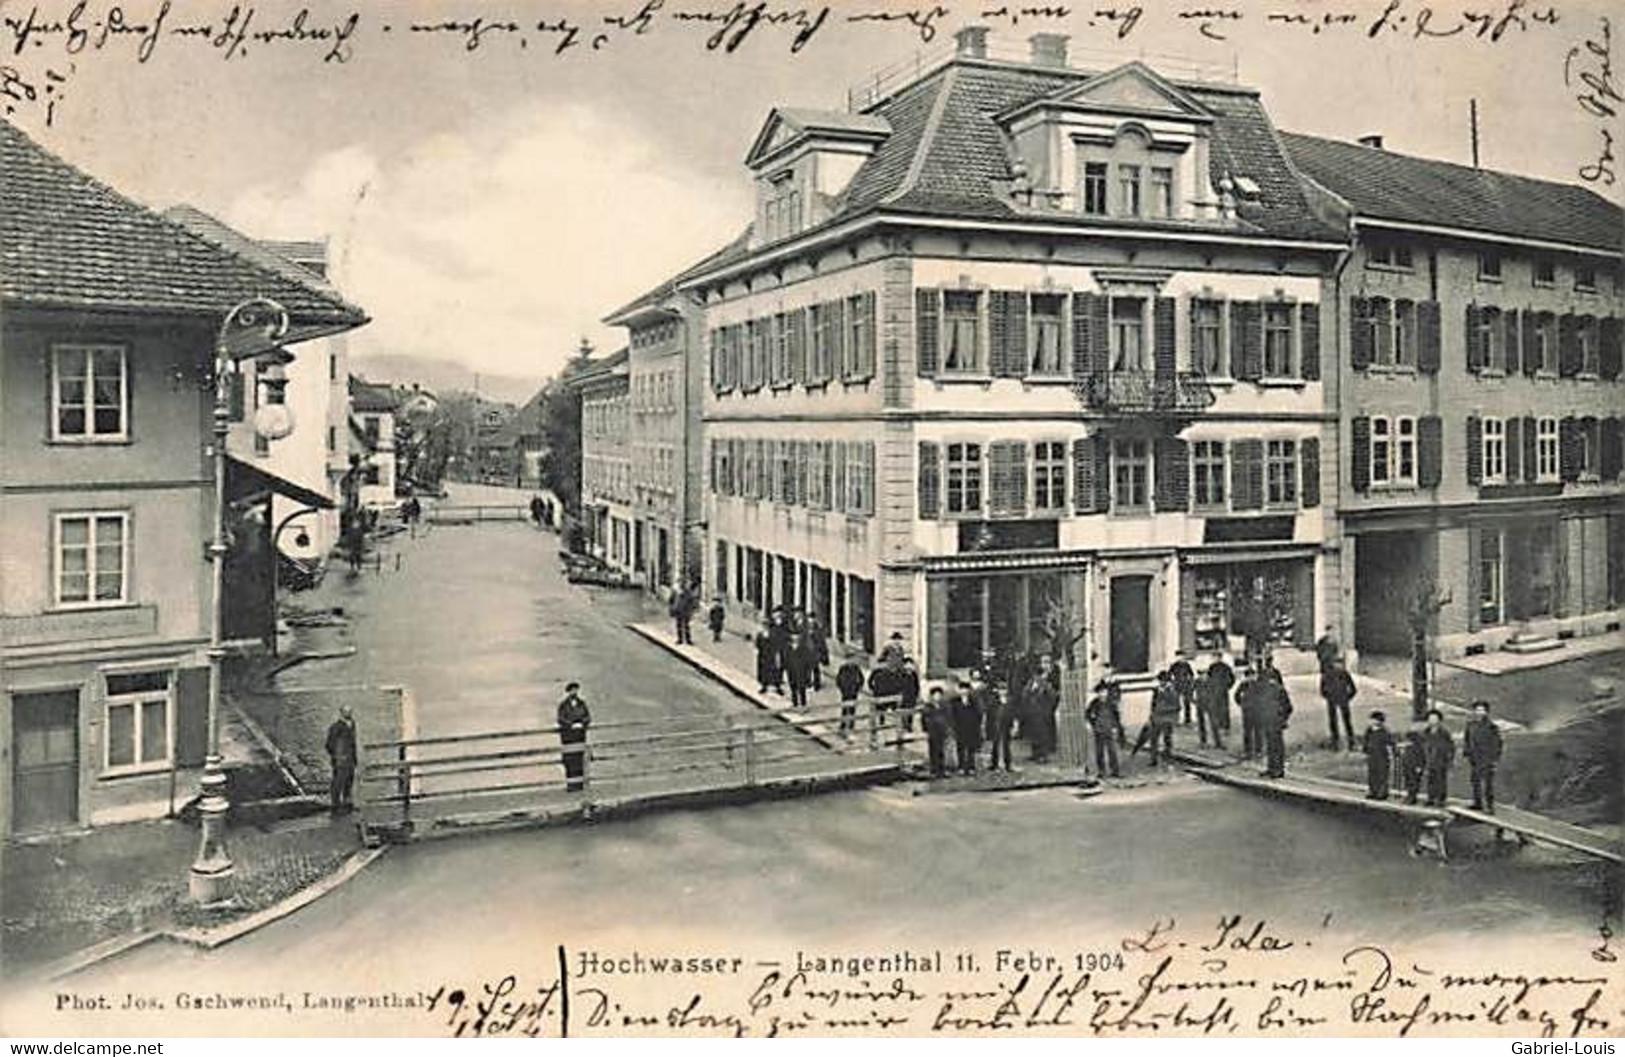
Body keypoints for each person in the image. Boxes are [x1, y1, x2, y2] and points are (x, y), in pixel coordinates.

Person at [1463, 700, 1503, 812]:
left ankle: (1490, 806)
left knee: (1488, 783)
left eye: (1482, 710)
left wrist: (1494, 759)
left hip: (1487, 758)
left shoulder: (1492, 727)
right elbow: (1467, 739)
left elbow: (1497, 744)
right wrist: (1467, 752)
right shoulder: (1471, 725)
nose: (1479, 712)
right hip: (1475, 758)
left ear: (1486, 712)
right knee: (1475, 781)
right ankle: (1477, 803)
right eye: (1477, 710)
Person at [557, 682, 592, 792]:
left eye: (576, 690)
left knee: (580, 758)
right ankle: (571, 784)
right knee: (570, 759)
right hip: (568, 737)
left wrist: (582, 723)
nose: (574, 692)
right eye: (572, 690)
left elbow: (588, 717)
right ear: (568, 692)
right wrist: (571, 725)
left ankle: (580, 783)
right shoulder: (563, 705)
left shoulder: (582, 703)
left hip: (580, 735)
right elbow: (560, 719)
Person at [1085, 680, 1124, 778]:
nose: (1102, 694)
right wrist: (1092, 724)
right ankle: (1101, 771)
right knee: (1099, 752)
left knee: (1112, 751)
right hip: (1099, 730)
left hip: (1109, 729)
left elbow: (1116, 716)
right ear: (1097, 693)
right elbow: (1088, 714)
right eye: (1100, 692)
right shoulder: (1094, 703)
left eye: (1104, 692)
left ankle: (1115, 771)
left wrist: (1116, 727)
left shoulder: (1111, 703)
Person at [1026, 656, 1061, 763]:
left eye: (1047, 662)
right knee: (1034, 732)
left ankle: (1043, 754)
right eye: (1043, 662)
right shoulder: (1034, 678)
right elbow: (1027, 691)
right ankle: (1035, 752)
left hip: (1045, 708)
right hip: (1034, 708)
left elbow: (1054, 693)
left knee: (1044, 732)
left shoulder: (1054, 675)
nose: (1045, 665)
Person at [324, 704, 358, 813]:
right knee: (338, 781)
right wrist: (336, 756)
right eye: (346, 712)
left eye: (350, 711)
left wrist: (354, 757)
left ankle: (347, 803)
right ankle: (335, 804)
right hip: (340, 760)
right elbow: (329, 744)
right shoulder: (335, 727)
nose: (349, 714)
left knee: (349, 781)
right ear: (341, 713)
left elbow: (353, 744)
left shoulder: (352, 724)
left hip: (350, 759)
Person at [1259, 670, 1292, 779]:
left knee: (1276, 746)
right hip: (1270, 721)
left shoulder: (1278, 690)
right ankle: (1272, 768)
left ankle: (1278, 769)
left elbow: (1288, 707)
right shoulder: (1267, 690)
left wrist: (1283, 718)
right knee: (1271, 746)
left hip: (1275, 721)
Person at [1320, 657, 1358, 752]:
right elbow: (1322, 689)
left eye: (1339, 664)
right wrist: (1328, 696)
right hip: (1334, 699)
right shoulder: (1328, 674)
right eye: (1337, 663)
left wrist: (1348, 697)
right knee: (1334, 721)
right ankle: (1336, 741)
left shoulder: (1344, 674)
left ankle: (1350, 741)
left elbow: (1353, 688)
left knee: (1346, 721)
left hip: (1341, 699)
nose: (1338, 666)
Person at [1419, 708, 1455, 807]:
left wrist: (1449, 760)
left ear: (1439, 720)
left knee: (1441, 780)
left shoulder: (1444, 733)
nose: (1432, 721)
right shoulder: (1425, 732)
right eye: (1430, 719)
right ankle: (1431, 798)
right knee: (1431, 780)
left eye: (1435, 719)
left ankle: (1441, 799)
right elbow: (1423, 746)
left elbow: (1450, 747)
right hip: (1429, 760)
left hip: (1441, 760)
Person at [1200, 657, 1235, 750]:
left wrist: (1227, 687)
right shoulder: (1203, 680)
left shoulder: (1225, 667)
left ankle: (1221, 735)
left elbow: (1231, 678)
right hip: (1207, 703)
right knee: (1206, 723)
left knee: (1223, 711)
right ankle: (1206, 742)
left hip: (1218, 696)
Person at [951, 677, 984, 776]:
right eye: (962, 689)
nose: (964, 691)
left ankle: (971, 767)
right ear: (959, 690)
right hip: (960, 727)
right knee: (960, 748)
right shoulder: (954, 701)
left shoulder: (973, 701)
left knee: (971, 748)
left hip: (971, 727)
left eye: (966, 689)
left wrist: (978, 726)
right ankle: (961, 767)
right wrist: (954, 727)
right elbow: (952, 715)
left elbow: (978, 714)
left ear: (969, 690)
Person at [1148, 670, 1181, 766]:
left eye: (1163, 681)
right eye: (1160, 681)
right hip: (1157, 718)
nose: (1161, 683)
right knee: (1154, 739)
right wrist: (1152, 715)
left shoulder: (1172, 691)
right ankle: (1153, 759)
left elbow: (1176, 706)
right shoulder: (1156, 690)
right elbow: (1153, 704)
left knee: (1167, 739)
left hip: (1167, 718)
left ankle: (1168, 757)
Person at [1361, 710, 1395, 800]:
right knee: (1372, 774)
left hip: (1382, 755)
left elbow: (1391, 743)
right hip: (1372, 755)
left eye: (1374, 720)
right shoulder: (1369, 731)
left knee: (1382, 774)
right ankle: (1373, 790)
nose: (1372, 722)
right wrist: (1365, 751)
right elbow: (1365, 741)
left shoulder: (1384, 732)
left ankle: (1382, 792)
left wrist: (1393, 752)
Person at [984, 676, 1015, 773]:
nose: (1002, 692)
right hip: (996, 725)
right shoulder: (993, 701)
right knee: (995, 745)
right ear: (997, 691)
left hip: (1006, 725)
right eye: (1000, 690)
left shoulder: (1010, 701)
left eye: (1004, 690)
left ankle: (1008, 764)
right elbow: (989, 713)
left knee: (1006, 745)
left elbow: (1012, 713)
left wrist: (1013, 725)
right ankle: (994, 764)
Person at [922, 685, 951, 779]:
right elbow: (924, 719)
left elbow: (949, 717)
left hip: (942, 730)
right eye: (935, 695)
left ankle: (942, 769)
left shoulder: (945, 706)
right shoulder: (928, 706)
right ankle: (934, 769)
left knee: (941, 751)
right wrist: (926, 729)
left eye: (939, 695)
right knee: (933, 750)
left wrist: (948, 728)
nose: (937, 697)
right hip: (933, 731)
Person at [835, 651, 866, 738]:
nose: (852, 661)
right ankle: (843, 726)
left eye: (853, 659)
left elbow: (861, 678)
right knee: (844, 710)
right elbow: (838, 679)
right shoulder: (843, 668)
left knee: (852, 710)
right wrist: (842, 688)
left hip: (853, 692)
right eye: (850, 659)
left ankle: (851, 726)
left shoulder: (856, 668)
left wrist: (858, 688)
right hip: (845, 692)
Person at [1236, 667, 1263, 760]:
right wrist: (1242, 704)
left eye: (1252, 675)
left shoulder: (1259, 685)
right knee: (1247, 732)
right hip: (1247, 711)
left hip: (1257, 711)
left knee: (1258, 731)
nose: (1251, 677)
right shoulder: (1243, 685)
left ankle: (1258, 750)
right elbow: (1236, 695)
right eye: (1249, 676)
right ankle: (1248, 751)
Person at [1400, 729, 1427, 804]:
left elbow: (1421, 758)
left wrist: (1419, 766)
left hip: (1414, 768)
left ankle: (1412, 797)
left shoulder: (1417, 748)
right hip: (1408, 767)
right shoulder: (1408, 747)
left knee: (1413, 782)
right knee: (1408, 782)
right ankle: (1409, 796)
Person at [1169, 653, 1196, 726]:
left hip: (1186, 685)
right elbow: (1169, 675)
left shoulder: (1186, 665)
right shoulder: (1174, 665)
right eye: (1178, 656)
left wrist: (1191, 684)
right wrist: (1172, 682)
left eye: (1181, 656)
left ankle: (1187, 719)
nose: (1180, 658)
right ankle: (1176, 720)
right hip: (1177, 685)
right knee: (1176, 704)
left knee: (1187, 703)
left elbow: (1191, 675)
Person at [897, 657, 921, 733]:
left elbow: (917, 685)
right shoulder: (901, 674)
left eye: (910, 664)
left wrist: (917, 695)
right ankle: (904, 724)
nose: (909, 666)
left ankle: (909, 725)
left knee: (911, 711)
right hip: (903, 695)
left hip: (911, 695)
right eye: (907, 664)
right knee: (903, 710)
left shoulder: (914, 674)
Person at [806, 613, 828, 692]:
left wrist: (823, 654)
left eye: (812, 619)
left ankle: (816, 684)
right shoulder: (805, 628)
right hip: (807, 652)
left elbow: (821, 642)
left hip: (815, 653)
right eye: (809, 619)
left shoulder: (817, 630)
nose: (811, 621)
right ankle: (808, 683)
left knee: (815, 669)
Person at [754, 628, 778, 694]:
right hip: (763, 655)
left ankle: (776, 685)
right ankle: (764, 686)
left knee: (773, 669)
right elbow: (757, 644)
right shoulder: (760, 634)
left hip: (770, 655)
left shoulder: (773, 634)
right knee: (762, 670)